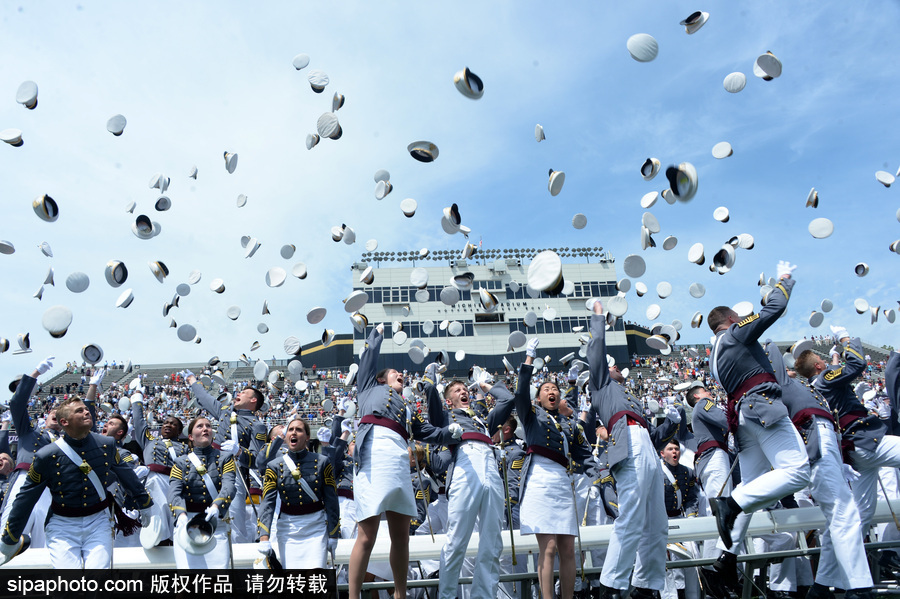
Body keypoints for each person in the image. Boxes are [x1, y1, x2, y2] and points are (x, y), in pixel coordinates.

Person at [705, 262, 810, 581]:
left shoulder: (713, 358)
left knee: (751, 486)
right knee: (797, 470)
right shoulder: (736, 334)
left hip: (744, 419)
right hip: (762, 408)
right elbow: (772, 309)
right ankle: (731, 503)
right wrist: (785, 280)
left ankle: (727, 557)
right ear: (732, 319)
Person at [348, 324, 462, 599]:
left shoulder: (408, 409)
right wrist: (376, 336)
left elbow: (428, 433)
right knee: (367, 534)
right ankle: (353, 596)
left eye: (401, 374)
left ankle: (400, 594)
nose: (401, 374)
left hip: (399, 456)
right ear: (380, 379)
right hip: (374, 451)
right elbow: (368, 359)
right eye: (394, 373)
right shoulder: (367, 388)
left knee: (401, 535)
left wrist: (450, 433)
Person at [763, 340, 873, 598]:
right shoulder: (782, 385)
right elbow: (772, 354)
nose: (790, 371)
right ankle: (858, 587)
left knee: (841, 517)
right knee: (844, 515)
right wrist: (770, 343)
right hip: (815, 450)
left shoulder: (805, 387)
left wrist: (840, 462)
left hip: (828, 450)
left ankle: (822, 587)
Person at [0, 397, 153, 568]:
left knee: (97, 579)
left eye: (85, 409)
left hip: (98, 521)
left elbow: (127, 476)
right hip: (62, 525)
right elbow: (26, 497)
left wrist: (145, 503)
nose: (86, 412)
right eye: (79, 411)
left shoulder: (106, 445)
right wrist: (10, 537)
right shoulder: (45, 456)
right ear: (64, 422)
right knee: (68, 585)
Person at [587, 301, 666, 599]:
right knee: (631, 516)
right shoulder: (601, 386)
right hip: (628, 440)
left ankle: (647, 586)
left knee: (656, 522)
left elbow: (652, 434)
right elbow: (595, 351)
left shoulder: (627, 393)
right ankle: (610, 585)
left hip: (644, 443)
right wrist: (598, 318)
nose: (619, 368)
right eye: (613, 366)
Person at [796, 330, 900, 546]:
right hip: (866, 439)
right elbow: (857, 365)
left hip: (852, 450)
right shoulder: (825, 379)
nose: (824, 362)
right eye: (821, 360)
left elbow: (836, 374)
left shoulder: (813, 387)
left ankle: (835, 566)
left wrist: (834, 360)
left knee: (862, 514)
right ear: (817, 366)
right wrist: (846, 339)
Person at [423, 362, 516, 599]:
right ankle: (447, 595)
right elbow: (432, 399)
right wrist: (432, 375)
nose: (463, 392)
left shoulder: (484, 417)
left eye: (465, 390)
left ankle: (484, 596)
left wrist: (484, 384)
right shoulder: (445, 416)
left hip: (490, 463)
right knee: (456, 539)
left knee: (492, 541)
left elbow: (507, 400)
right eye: (457, 391)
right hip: (464, 462)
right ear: (449, 400)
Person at [517, 338, 595, 599]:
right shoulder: (531, 416)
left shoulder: (570, 424)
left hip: (564, 482)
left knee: (568, 549)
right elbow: (520, 392)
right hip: (540, 479)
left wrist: (601, 477)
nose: (552, 392)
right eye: (546, 389)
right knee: (548, 548)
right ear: (538, 398)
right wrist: (528, 359)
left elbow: (584, 455)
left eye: (555, 389)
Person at [184, 370, 267, 543]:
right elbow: (205, 398)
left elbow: (257, 461)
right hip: (211, 467)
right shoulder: (224, 412)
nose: (238, 394)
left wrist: (239, 451)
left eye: (244, 393)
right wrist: (193, 381)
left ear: (253, 401)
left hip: (235, 471)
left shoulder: (257, 426)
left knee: (235, 521)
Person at [257, 417, 340, 568]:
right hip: (288, 528)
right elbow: (267, 503)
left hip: (316, 526)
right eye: (290, 429)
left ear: (307, 437)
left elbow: (331, 500)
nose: (294, 432)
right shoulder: (274, 466)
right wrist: (264, 536)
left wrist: (333, 533)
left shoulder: (322, 462)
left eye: (299, 429)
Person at [0, 356, 57, 549]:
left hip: (50, 487)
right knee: (11, 530)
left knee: (44, 537)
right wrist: (35, 373)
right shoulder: (29, 430)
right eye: (53, 412)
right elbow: (17, 404)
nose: (57, 414)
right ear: (47, 415)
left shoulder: (67, 441)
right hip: (25, 479)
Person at [168, 416, 236, 569]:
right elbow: (174, 491)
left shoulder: (225, 458)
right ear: (191, 436)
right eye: (200, 426)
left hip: (215, 521)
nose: (205, 428)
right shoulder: (180, 462)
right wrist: (181, 515)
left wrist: (216, 506)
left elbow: (229, 486)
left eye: (208, 426)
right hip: (188, 524)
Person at [131, 388, 188, 546]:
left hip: (175, 482)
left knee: (176, 515)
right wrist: (137, 399)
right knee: (158, 515)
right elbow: (139, 422)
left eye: (173, 424)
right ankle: (158, 543)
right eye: (165, 423)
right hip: (154, 480)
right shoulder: (150, 441)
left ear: (179, 430)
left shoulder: (184, 448)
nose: (168, 425)